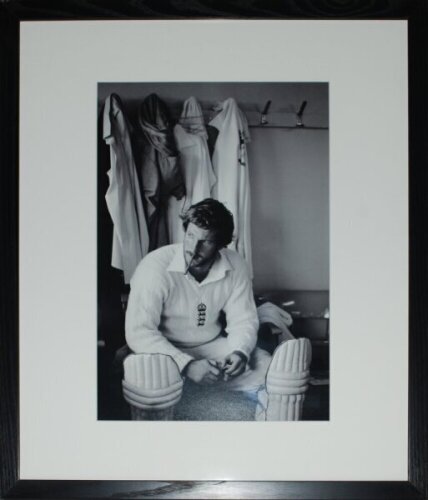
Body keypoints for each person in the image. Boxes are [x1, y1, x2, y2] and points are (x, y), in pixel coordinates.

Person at [125, 198, 271, 392]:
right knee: (151, 382)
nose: (193, 248)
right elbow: (139, 332)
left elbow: (243, 320)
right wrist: (187, 365)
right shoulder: (154, 266)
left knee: (269, 368)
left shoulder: (236, 264)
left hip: (212, 345)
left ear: (221, 244)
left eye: (206, 242)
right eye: (191, 235)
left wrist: (240, 352)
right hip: (163, 350)